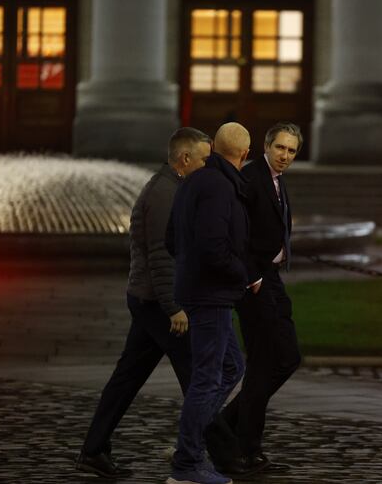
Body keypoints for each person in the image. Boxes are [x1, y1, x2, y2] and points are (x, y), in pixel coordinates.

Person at [75, 127, 212, 479]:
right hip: (158, 304)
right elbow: (161, 258)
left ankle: (93, 450)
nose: (207, 166)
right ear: (185, 159)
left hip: (150, 300)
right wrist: (174, 307)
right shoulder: (165, 194)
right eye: (204, 160)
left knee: (128, 378)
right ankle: (215, 453)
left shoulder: (171, 188)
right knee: (197, 376)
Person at [206, 122, 304, 478]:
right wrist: (253, 276)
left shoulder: (275, 180)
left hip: (270, 278)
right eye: (280, 148)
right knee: (264, 364)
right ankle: (247, 450)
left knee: (287, 358)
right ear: (266, 145)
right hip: (255, 282)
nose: (285, 156)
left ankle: (225, 426)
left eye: (291, 151)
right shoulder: (251, 179)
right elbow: (234, 233)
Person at [165, 122, 252, 484]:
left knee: (232, 366)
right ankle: (186, 463)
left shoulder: (195, 181)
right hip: (211, 294)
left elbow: (172, 240)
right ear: (245, 154)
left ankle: (190, 442)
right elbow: (213, 246)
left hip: (203, 290)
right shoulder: (219, 185)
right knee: (207, 378)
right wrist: (243, 273)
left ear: (214, 147)